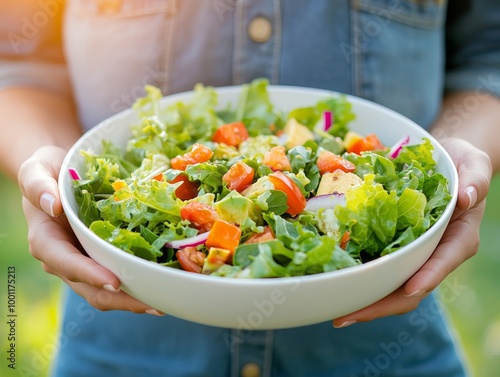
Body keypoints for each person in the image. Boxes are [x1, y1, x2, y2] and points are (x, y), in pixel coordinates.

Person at [1, 1, 498, 376]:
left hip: (388, 347)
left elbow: (489, 55)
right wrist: (50, 169)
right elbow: (18, 63)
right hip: (122, 351)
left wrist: (457, 165)